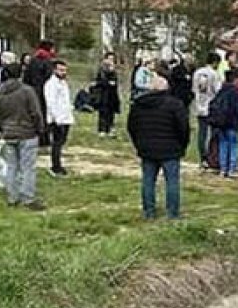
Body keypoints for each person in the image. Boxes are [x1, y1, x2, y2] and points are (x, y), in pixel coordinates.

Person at [128, 76, 190, 220]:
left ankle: (148, 211)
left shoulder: (138, 104)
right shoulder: (175, 105)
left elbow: (132, 126)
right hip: (171, 148)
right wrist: (182, 145)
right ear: (166, 88)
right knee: (172, 182)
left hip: (147, 148)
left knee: (148, 181)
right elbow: (183, 127)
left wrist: (139, 143)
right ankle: (172, 213)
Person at [0, 63, 46, 211]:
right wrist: (40, 129)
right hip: (27, 133)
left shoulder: (0, 93)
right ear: (20, 74)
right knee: (28, 167)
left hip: (9, 133)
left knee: (11, 167)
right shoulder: (27, 91)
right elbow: (35, 112)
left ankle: (12, 198)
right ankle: (28, 198)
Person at [207, 70, 238, 178]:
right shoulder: (237, 92)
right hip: (232, 122)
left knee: (223, 144)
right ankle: (232, 169)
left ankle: (223, 169)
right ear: (236, 79)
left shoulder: (221, 90)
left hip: (220, 123)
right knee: (233, 145)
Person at [192, 52, 223, 167]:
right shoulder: (215, 74)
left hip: (199, 105)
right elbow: (218, 90)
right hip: (211, 106)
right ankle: (212, 157)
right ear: (215, 62)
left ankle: (203, 158)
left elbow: (194, 89)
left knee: (202, 133)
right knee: (214, 133)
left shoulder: (197, 73)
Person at [44, 59, 74, 177]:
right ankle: (55, 167)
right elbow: (50, 103)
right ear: (54, 70)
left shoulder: (63, 83)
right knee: (57, 143)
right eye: (61, 70)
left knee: (61, 143)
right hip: (57, 119)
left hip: (65, 117)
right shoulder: (51, 84)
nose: (63, 72)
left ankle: (58, 164)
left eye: (65, 70)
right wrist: (57, 119)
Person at [24, 40, 57, 146]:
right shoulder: (48, 61)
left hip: (33, 91)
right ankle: (44, 138)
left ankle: (35, 136)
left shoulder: (32, 61)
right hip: (44, 92)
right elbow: (50, 78)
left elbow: (26, 78)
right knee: (45, 114)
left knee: (34, 114)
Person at [90, 52, 122, 137]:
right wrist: (107, 83)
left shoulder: (114, 71)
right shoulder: (102, 70)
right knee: (103, 112)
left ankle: (110, 129)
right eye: (109, 59)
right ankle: (102, 129)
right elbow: (98, 82)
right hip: (103, 94)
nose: (111, 61)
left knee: (111, 112)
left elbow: (115, 83)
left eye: (112, 59)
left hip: (112, 94)